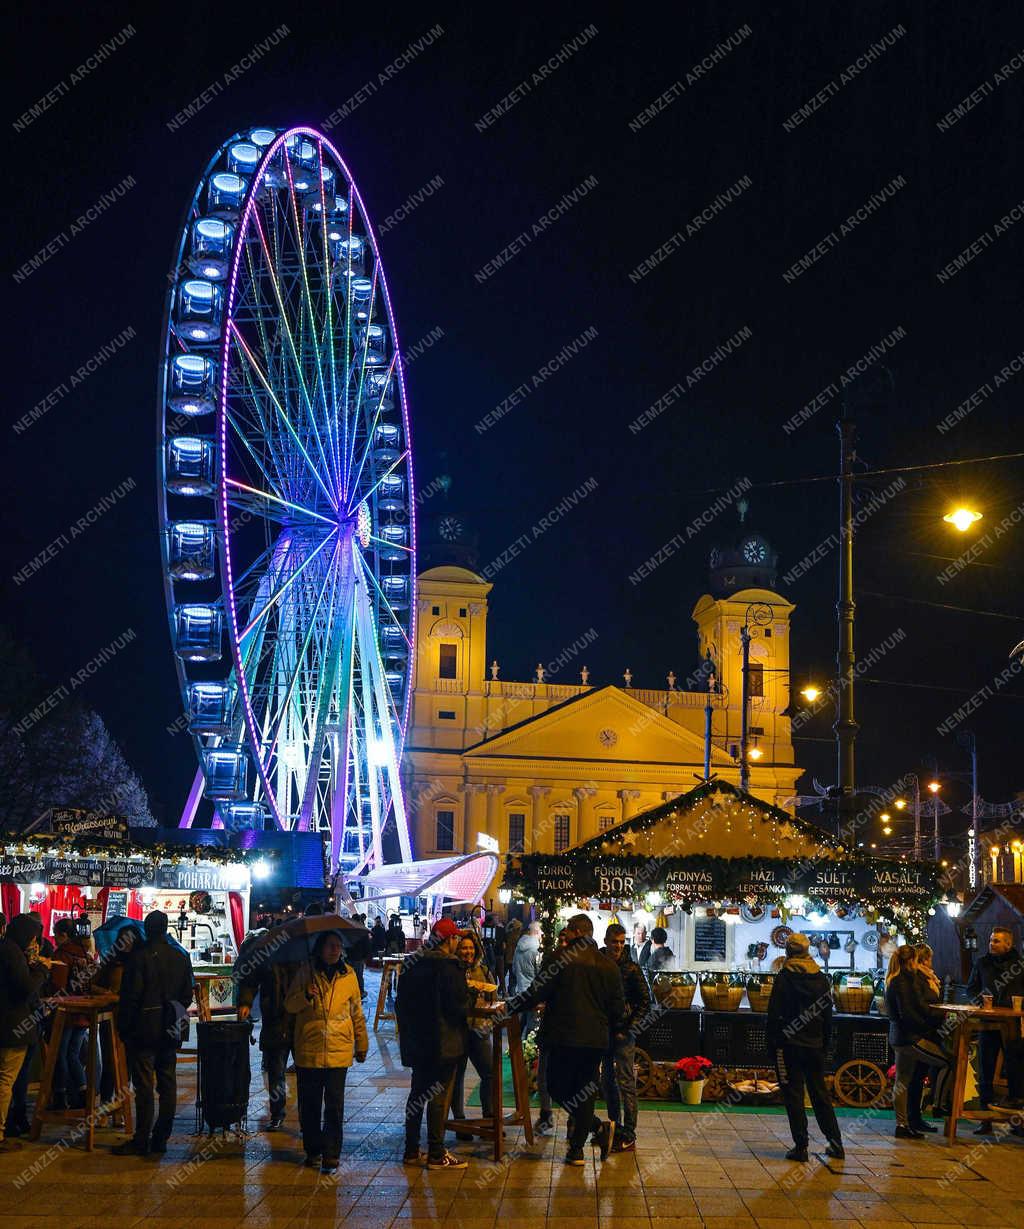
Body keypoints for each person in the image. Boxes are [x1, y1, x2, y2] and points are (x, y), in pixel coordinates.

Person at [512, 913, 625, 1166]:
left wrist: (510, 1008)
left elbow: (535, 993)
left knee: (555, 1086)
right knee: (584, 1091)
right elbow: (618, 1008)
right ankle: (578, 1148)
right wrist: (613, 1031)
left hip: (563, 1037)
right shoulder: (608, 965)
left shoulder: (558, 960)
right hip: (595, 1040)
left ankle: (593, 1131)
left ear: (574, 932)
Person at [285, 931, 367, 1173]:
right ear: (320, 948)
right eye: (330, 945)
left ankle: (332, 1153)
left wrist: (361, 1043)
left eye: (338, 946)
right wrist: (305, 995)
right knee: (309, 1105)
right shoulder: (305, 972)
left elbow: (357, 1013)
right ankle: (313, 1150)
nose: (335, 950)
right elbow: (289, 1004)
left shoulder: (349, 975)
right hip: (309, 1049)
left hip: (338, 1050)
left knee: (334, 1106)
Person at [113, 910, 194, 1156]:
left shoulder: (139, 958)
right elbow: (186, 995)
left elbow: (131, 997)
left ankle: (141, 1138)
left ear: (147, 929)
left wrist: (124, 1027)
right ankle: (161, 1138)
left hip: (144, 1029)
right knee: (167, 1085)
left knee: (144, 1086)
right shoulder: (181, 956)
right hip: (170, 1028)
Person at [396, 918, 474, 1170]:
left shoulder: (411, 964)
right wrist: (471, 995)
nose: (457, 943)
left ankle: (411, 1150)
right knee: (439, 1097)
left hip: (418, 1042)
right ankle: (437, 1153)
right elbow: (459, 1007)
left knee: (417, 1094)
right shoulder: (450, 967)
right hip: (444, 1043)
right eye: (455, 939)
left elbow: (400, 1004)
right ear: (449, 940)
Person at [765, 932, 844, 1162]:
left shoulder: (784, 977)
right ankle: (836, 1144)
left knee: (794, 1095)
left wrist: (772, 1043)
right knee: (820, 1094)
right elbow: (828, 1016)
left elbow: (774, 1014)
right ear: (808, 950)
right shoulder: (821, 979)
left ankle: (801, 1146)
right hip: (815, 1046)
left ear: (788, 951)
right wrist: (825, 1044)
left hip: (788, 1045)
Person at [885, 944, 952, 1140]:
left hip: (899, 1036)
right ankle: (939, 1105)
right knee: (947, 1062)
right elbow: (911, 1013)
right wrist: (933, 1020)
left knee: (902, 1079)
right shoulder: (905, 981)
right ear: (911, 961)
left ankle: (902, 1124)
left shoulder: (894, 979)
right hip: (910, 1037)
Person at [238, 943, 301, 1131]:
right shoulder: (268, 958)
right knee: (276, 1072)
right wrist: (246, 1002)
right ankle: (277, 1113)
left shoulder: (306, 959)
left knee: (306, 1074)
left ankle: (307, 1116)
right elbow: (250, 981)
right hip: (276, 1020)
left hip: (301, 1022)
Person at [967, 925, 1024, 1129]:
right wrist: (979, 1002)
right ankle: (985, 1119)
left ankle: (1017, 1122)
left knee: (1016, 1068)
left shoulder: (1019, 964)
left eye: (997, 941)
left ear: (1008, 944)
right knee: (986, 1068)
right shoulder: (982, 963)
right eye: (991, 940)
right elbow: (971, 988)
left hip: (1012, 1024)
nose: (992, 944)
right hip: (988, 1023)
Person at [599, 922, 650, 1152]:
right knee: (607, 1082)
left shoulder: (632, 969)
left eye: (621, 942)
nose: (618, 946)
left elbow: (645, 1003)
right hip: (602, 1032)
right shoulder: (597, 964)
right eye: (614, 942)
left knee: (626, 1082)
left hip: (623, 1034)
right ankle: (613, 1127)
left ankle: (629, 1133)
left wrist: (628, 1028)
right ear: (606, 942)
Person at [0, 914, 48, 1152]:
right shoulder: (13, 953)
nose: (34, 942)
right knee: (6, 1080)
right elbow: (26, 989)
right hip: (13, 1028)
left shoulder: (6, 948)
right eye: (32, 937)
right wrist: (40, 970)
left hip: (7, 1026)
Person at [449, 931, 495, 1131]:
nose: (467, 952)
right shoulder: (450, 971)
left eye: (470, 948)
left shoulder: (483, 971)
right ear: (457, 949)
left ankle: (489, 1119)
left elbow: (494, 996)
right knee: (456, 1077)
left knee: (489, 1073)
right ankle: (459, 1121)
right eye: (463, 948)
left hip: (479, 1030)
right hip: (457, 1031)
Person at [51, 918, 96, 1110]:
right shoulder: (84, 953)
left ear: (63, 935)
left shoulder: (62, 955)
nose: (54, 938)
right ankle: (83, 1094)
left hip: (66, 1013)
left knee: (60, 1053)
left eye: (56, 934)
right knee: (73, 1054)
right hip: (84, 1012)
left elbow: (58, 986)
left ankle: (61, 1095)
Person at [533, 927, 571, 1136]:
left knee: (567, 1075)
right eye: (561, 939)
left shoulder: (578, 965)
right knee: (544, 1071)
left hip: (569, 1029)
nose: (564, 943)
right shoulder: (551, 961)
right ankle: (546, 1113)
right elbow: (539, 988)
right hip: (550, 1027)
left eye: (567, 939)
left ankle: (575, 1119)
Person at [512, 921, 543, 1036]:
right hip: (532, 992)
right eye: (541, 932)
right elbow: (540, 973)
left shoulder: (519, 946)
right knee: (532, 1025)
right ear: (536, 932)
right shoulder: (537, 949)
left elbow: (514, 969)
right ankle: (527, 1050)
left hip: (520, 990)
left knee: (522, 1021)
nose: (542, 934)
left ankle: (514, 1050)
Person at [502, 918, 523, 992]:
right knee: (513, 975)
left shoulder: (507, 933)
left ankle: (501, 989)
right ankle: (511, 990)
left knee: (504, 974)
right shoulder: (518, 935)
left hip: (507, 957)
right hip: (514, 957)